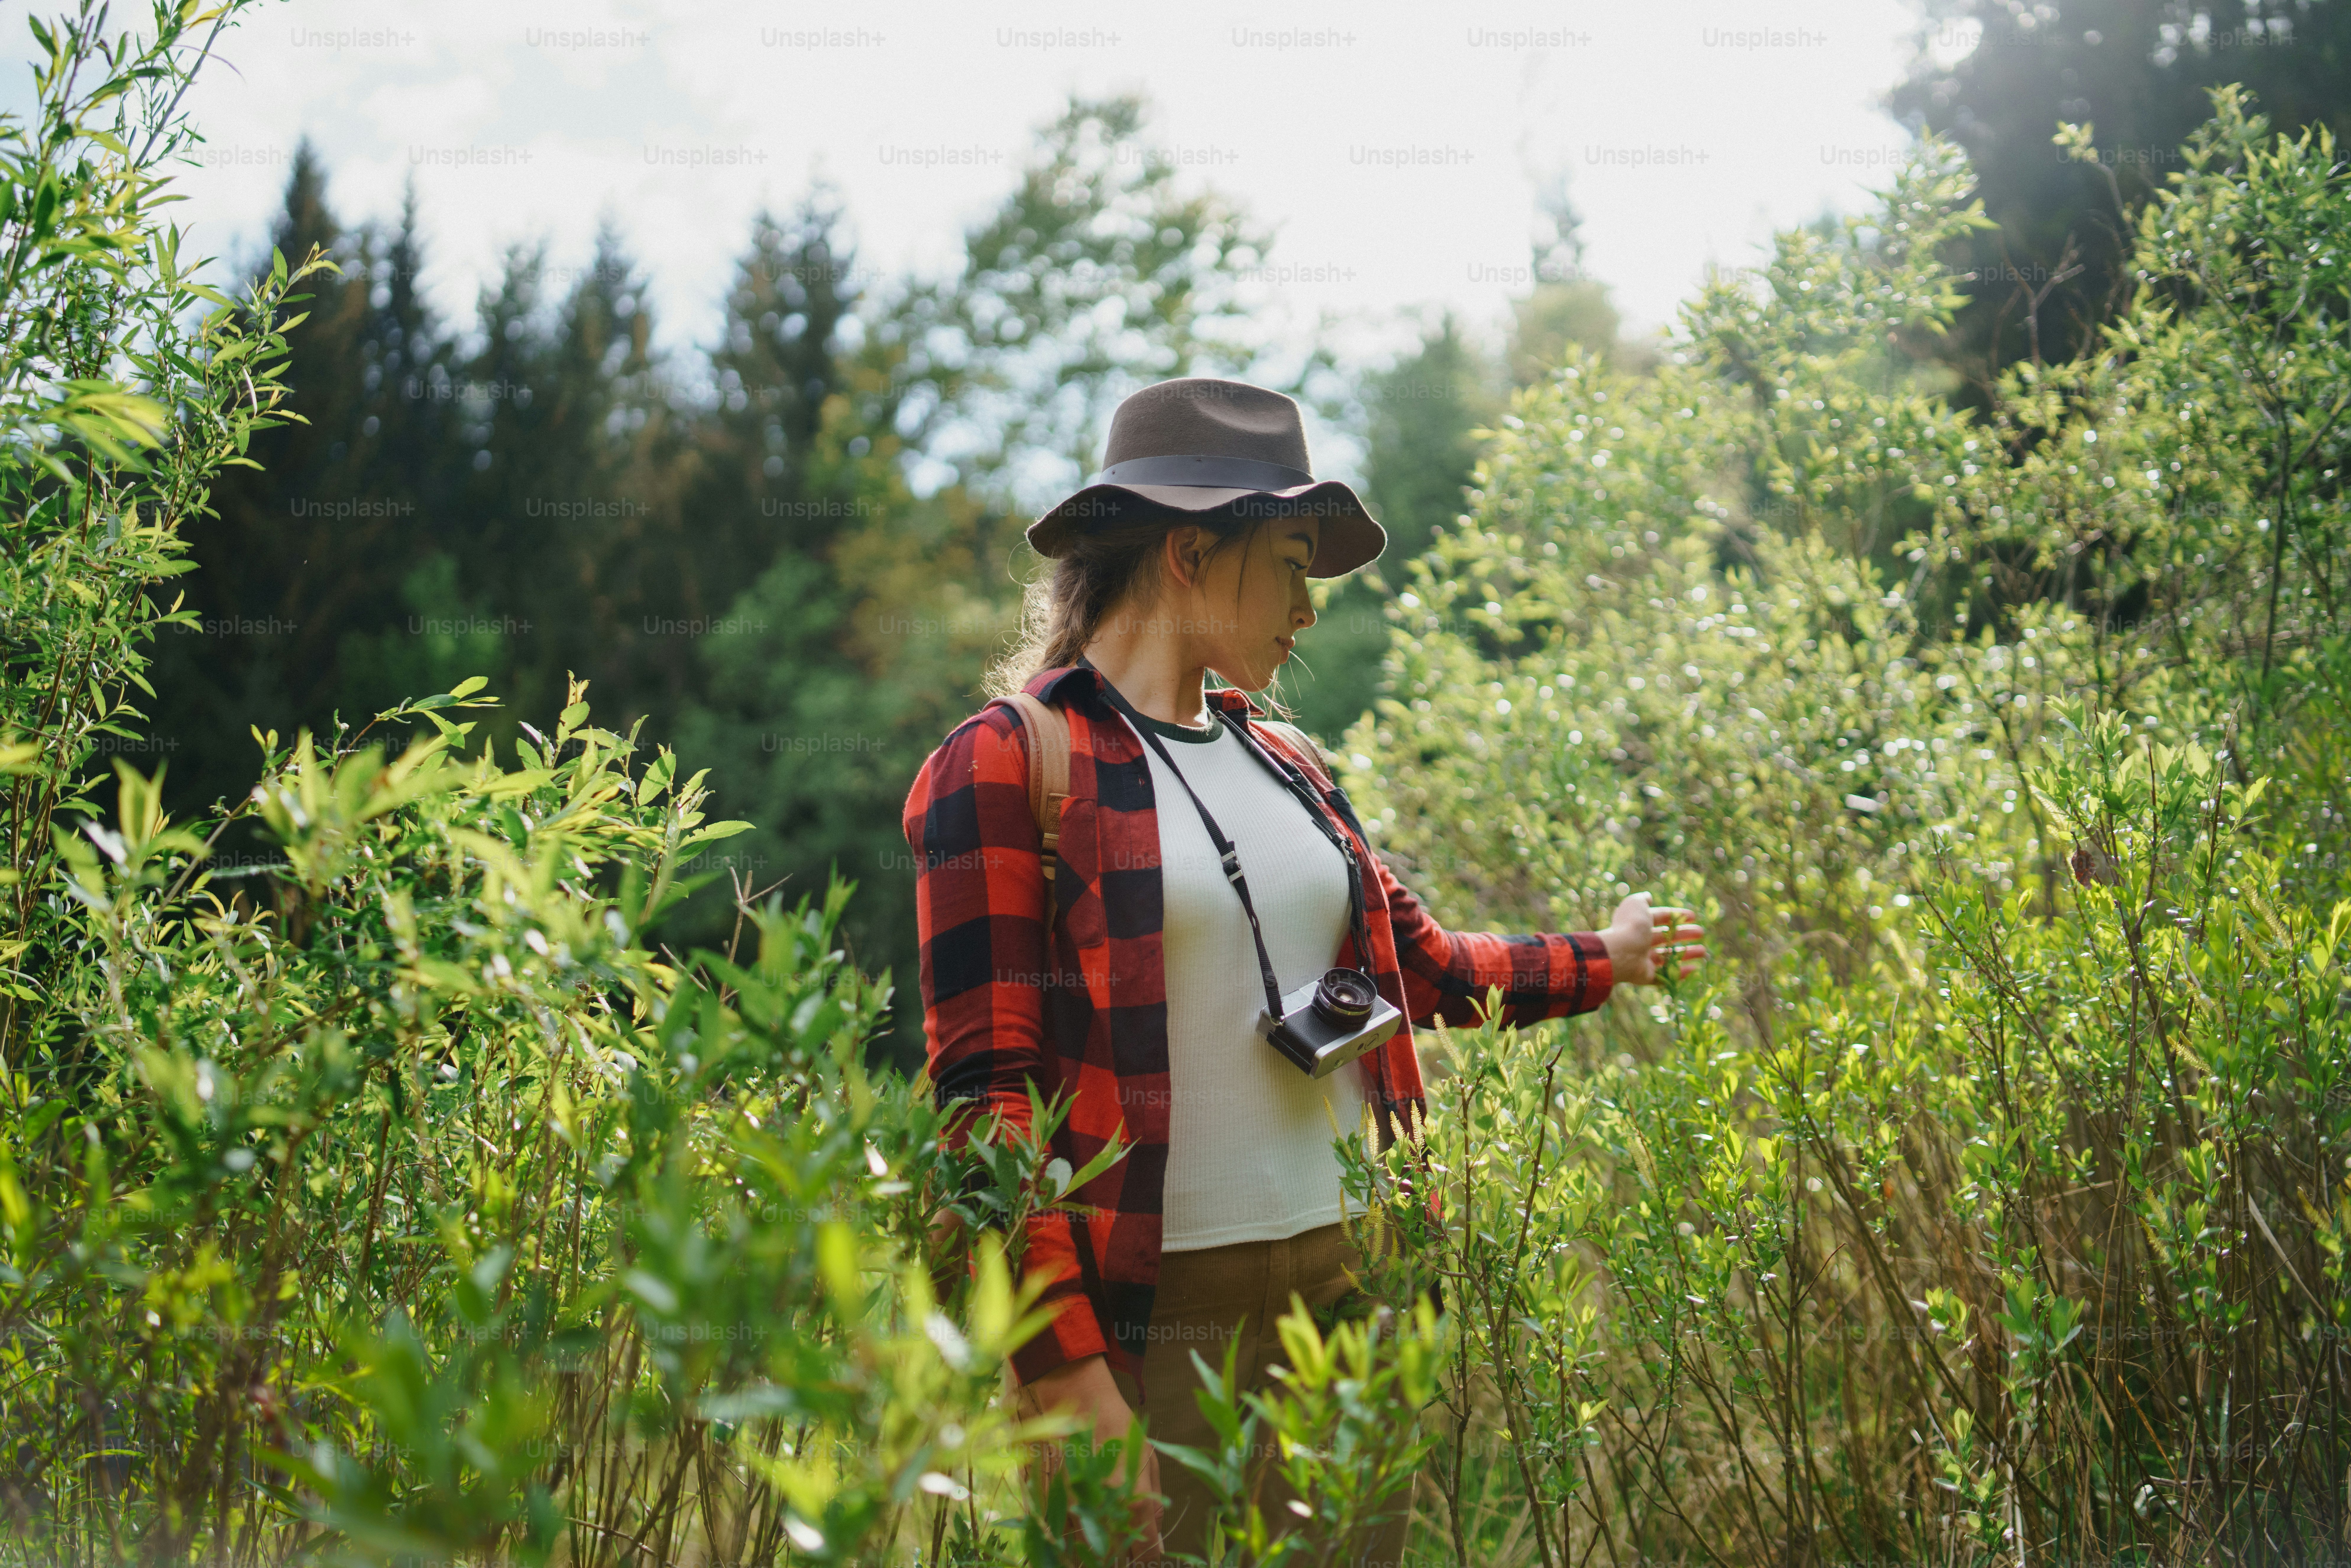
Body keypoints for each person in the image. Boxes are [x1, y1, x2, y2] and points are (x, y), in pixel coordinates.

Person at [901, 377, 1705, 1565]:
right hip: (1151, 1319)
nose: (1307, 611)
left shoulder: (1287, 761)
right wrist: (1066, 1381)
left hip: (1350, 1304)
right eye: (1287, 562)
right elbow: (985, 1106)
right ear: (1186, 552)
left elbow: (1420, 971)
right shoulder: (1014, 763)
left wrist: (1607, 957)